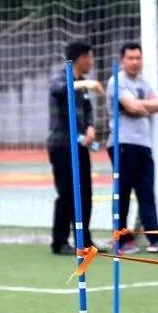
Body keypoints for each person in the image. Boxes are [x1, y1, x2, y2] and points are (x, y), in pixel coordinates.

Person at [107, 42, 158, 255]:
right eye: (131, 58)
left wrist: (139, 106)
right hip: (122, 144)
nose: (135, 62)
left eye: (138, 58)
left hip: (143, 145)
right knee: (123, 193)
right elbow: (131, 106)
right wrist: (141, 106)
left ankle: (156, 238)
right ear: (122, 60)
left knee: (146, 192)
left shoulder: (144, 82)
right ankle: (121, 239)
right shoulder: (117, 82)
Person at [47, 41, 103, 255]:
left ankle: (84, 240)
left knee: (85, 193)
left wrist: (90, 127)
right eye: (89, 57)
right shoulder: (61, 77)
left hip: (80, 146)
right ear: (80, 58)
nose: (92, 62)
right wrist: (85, 85)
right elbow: (58, 89)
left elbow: (87, 111)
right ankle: (59, 241)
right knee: (67, 194)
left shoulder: (83, 83)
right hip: (61, 146)